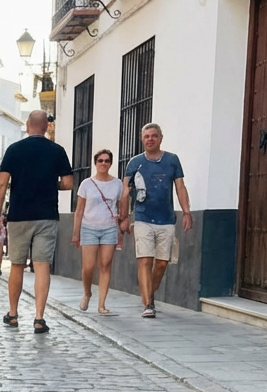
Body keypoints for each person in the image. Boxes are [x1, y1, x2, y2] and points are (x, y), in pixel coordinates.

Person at [0, 110, 72, 333]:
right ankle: (39, 318)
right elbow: (68, 183)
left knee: (17, 264)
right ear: (46, 127)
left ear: (27, 125)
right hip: (47, 215)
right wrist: (49, 184)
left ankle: (13, 314)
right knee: (42, 265)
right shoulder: (57, 151)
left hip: (19, 216)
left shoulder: (14, 150)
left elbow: (0, 185)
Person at [119, 123, 192, 319]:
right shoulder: (135, 163)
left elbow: (180, 187)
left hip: (166, 219)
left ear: (160, 138)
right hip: (142, 218)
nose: (150, 139)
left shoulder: (172, 160)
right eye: (146, 136)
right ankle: (148, 304)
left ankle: (149, 293)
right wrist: (124, 217)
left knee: (161, 263)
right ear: (142, 140)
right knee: (144, 260)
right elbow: (125, 192)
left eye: (153, 136)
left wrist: (186, 212)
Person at [72, 149, 123, 315]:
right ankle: (87, 293)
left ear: (111, 163)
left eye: (107, 161)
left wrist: (121, 225)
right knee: (88, 267)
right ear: (95, 163)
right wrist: (75, 233)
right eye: (100, 160)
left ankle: (102, 304)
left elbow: (122, 207)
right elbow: (79, 211)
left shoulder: (117, 184)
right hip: (89, 227)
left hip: (109, 228)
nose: (103, 163)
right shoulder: (86, 184)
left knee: (105, 265)